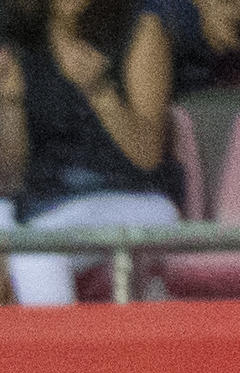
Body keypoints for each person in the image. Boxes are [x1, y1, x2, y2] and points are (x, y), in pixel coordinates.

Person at [0, 0, 181, 305]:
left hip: (132, 197)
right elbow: (12, 175)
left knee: (35, 250)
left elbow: (148, 156)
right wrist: (11, 103)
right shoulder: (26, 40)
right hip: (43, 202)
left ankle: (56, 351)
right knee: (26, 237)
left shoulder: (140, 27)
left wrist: (99, 91)